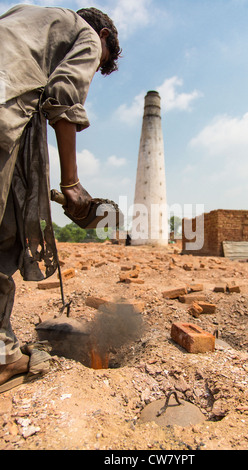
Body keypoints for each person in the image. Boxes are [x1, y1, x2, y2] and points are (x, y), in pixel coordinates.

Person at [0, 4, 121, 392]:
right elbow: (63, 96)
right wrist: (71, 182)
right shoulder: (85, 33)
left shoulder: (24, 14)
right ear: (103, 38)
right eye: (100, 63)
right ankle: (2, 360)